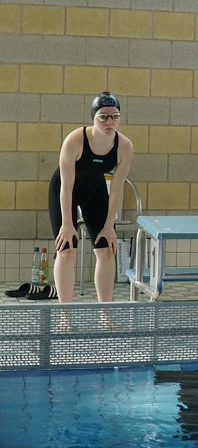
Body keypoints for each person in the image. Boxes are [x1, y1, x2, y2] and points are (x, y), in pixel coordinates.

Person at [49, 92, 134, 303]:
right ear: (93, 118)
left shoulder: (124, 147)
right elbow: (66, 188)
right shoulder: (75, 140)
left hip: (95, 191)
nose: (110, 122)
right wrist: (67, 224)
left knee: (106, 249)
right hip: (64, 188)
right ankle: (65, 316)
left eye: (114, 116)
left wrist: (108, 225)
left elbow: (116, 189)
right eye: (103, 116)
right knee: (66, 250)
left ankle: (105, 314)